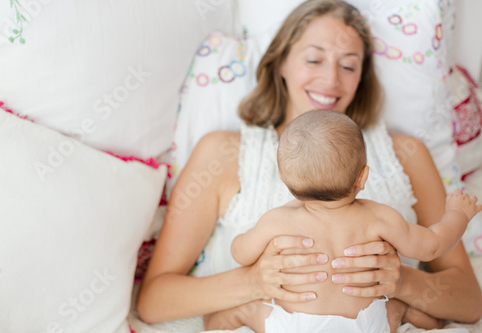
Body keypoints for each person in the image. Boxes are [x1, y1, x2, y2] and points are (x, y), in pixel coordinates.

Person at [137, 0, 482, 331]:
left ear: (362, 77)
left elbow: (469, 302)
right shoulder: (223, 154)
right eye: (315, 59)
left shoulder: (406, 154)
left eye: (348, 65)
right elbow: (154, 301)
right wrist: (253, 281)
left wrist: (404, 282)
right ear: (282, 62)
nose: (331, 80)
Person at [203, 110, 482, 333]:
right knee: (402, 307)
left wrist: (245, 243)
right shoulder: (379, 217)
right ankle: (426, 324)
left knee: (242, 310)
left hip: (293, 326)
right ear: (362, 177)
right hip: (367, 323)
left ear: (285, 181)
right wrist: (458, 214)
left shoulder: (276, 221)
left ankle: (215, 325)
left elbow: (240, 253)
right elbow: (432, 246)